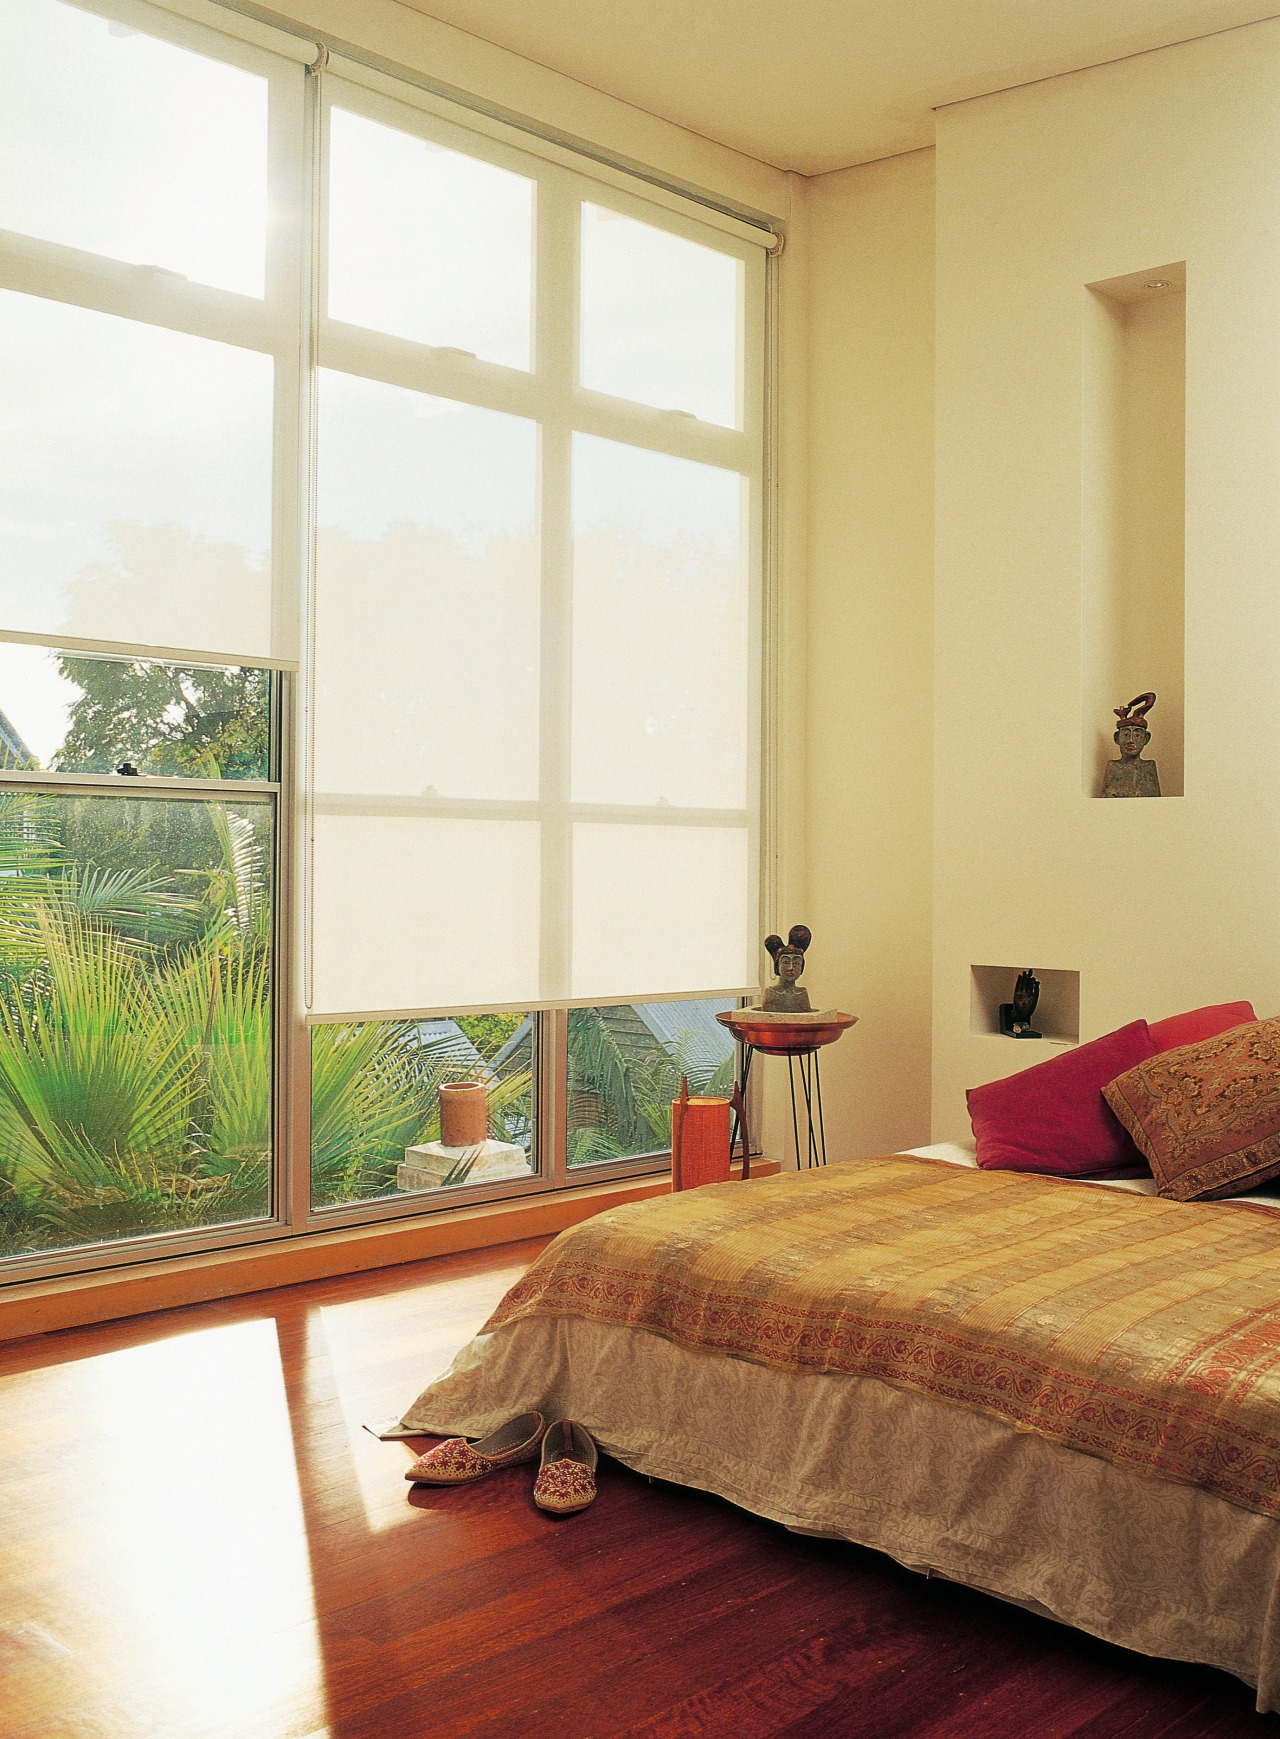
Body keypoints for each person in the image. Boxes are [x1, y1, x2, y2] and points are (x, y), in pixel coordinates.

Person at [1102, 693, 1161, 798]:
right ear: (1117, 738)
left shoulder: (1149, 767)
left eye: (1137, 735)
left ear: (1146, 738)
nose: (1131, 740)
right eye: (1125, 734)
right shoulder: (1113, 766)